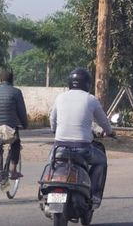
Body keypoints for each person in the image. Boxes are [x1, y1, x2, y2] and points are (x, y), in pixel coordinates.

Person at [50, 67, 114, 207]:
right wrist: (110, 132)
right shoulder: (91, 99)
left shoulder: (60, 97)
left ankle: (45, 191)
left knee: (51, 164)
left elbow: (52, 119)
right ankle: (94, 195)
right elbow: (103, 122)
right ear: (87, 84)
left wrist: (54, 130)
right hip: (83, 149)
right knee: (101, 161)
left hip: (59, 147)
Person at [0, 68, 28, 179]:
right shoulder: (16, 92)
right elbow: (22, 112)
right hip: (11, 126)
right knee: (16, 143)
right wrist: (25, 124)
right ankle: (13, 171)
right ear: (12, 80)